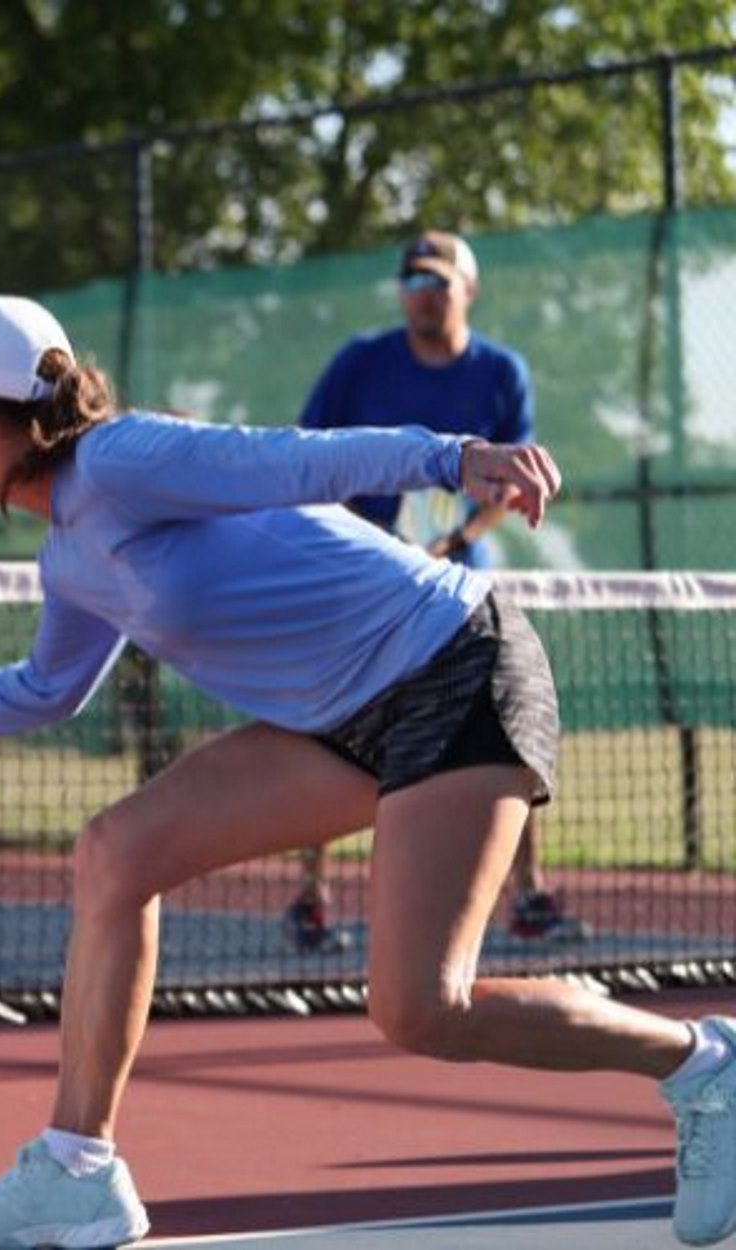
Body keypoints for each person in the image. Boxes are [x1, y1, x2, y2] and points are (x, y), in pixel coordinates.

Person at [0, 294, 736, 1249]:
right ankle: (77, 1169)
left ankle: (702, 1064)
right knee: (118, 853)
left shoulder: (122, 459)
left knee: (421, 1008)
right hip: (337, 718)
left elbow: (295, 461)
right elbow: (47, 689)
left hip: (455, 666)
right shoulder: (70, 556)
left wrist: (456, 457)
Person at [285, 228, 585, 953]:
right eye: (413, 282)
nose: (424, 295)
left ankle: (527, 895)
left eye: (438, 282)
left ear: (468, 289)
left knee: (504, 725)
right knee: (330, 720)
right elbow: (305, 455)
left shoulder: (501, 372)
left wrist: (446, 544)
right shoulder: (360, 362)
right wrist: (356, 546)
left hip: (456, 589)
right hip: (360, 579)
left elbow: (509, 481)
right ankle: (311, 897)